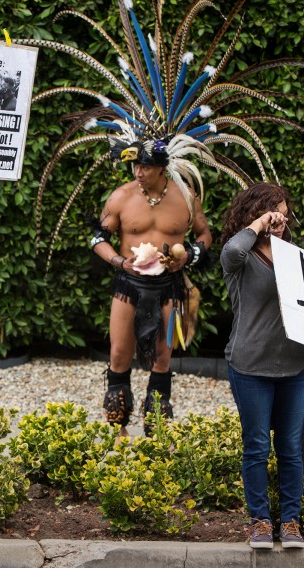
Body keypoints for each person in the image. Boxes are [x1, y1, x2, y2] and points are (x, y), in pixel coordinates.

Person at [220, 182, 304, 549]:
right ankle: (260, 522)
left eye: (283, 212)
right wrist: (261, 224)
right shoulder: (240, 258)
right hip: (250, 367)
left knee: (292, 449)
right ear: (255, 214)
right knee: (257, 446)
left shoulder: (298, 259)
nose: (280, 218)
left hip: (296, 369)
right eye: (271, 212)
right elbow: (231, 247)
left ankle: (290, 522)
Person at [91, 138, 212, 437]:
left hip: (169, 285)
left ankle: (156, 427)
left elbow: (204, 234)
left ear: (161, 169)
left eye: (145, 167)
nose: (138, 172)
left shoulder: (185, 197)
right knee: (119, 353)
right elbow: (97, 239)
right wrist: (120, 262)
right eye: (135, 166)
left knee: (163, 356)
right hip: (129, 284)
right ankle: (118, 430)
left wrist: (188, 258)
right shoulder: (121, 197)